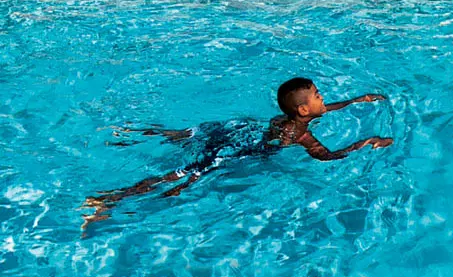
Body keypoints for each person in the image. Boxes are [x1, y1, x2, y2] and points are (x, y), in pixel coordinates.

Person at [81, 78, 392, 229]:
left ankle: (132, 134)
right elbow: (328, 156)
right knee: (180, 179)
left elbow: (324, 110)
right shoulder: (300, 135)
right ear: (302, 110)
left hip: (236, 133)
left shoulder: (288, 119)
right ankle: (110, 200)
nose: (323, 99)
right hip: (237, 153)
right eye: (318, 96)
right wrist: (365, 142)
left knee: (184, 138)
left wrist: (357, 100)